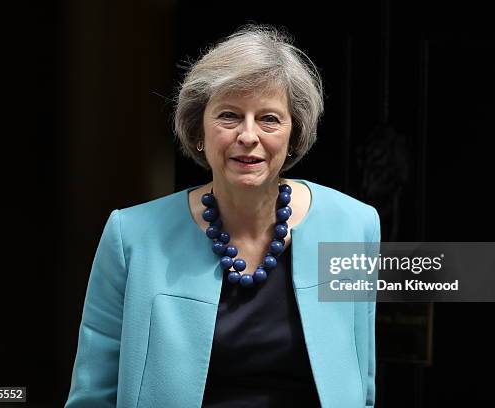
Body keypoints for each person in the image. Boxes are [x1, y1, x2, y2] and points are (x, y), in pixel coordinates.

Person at [65, 24, 380, 408]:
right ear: (198, 131)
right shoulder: (131, 236)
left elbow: (361, 383)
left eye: (269, 119)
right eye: (229, 116)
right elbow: (94, 394)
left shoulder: (353, 225)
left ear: (293, 134)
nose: (249, 135)